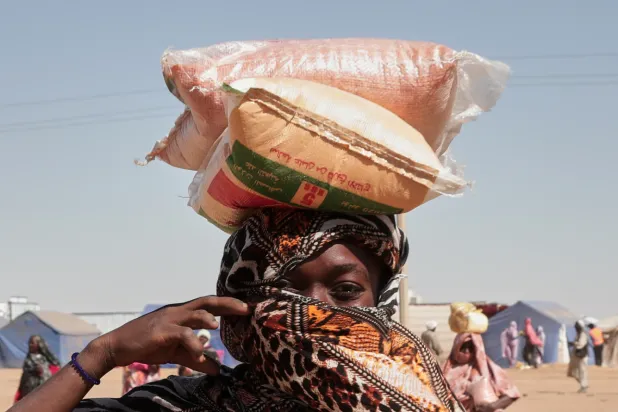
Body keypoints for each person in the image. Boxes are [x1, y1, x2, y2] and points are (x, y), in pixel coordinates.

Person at [9, 209, 464, 412]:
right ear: (241, 304)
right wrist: (102, 354)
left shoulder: (422, 400)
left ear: (381, 299)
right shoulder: (182, 405)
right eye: (283, 293)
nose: (310, 312)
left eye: (345, 291)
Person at [443, 333, 520, 412]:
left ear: (477, 347)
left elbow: (512, 394)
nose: (466, 351)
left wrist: (491, 407)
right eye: (463, 347)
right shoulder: (446, 370)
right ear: (456, 346)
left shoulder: (489, 368)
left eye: (471, 347)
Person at [14, 335, 61, 402]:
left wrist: (44, 370)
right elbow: (26, 371)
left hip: (45, 387)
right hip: (30, 389)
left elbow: (56, 366)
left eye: (32, 343)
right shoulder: (29, 358)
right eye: (29, 343)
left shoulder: (46, 358)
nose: (30, 345)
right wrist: (34, 369)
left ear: (39, 344)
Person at [567, 320, 590, 393]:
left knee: (582, 371)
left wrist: (573, 343)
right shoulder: (578, 334)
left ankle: (584, 386)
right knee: (573, 372)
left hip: (582, 356)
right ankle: (583, 384)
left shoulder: (583, 334)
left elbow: (581, 345)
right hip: (576, 356)